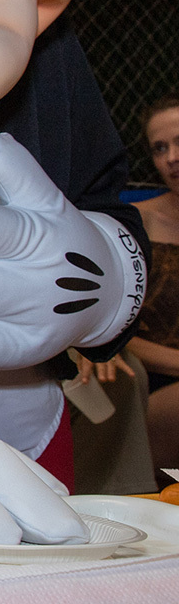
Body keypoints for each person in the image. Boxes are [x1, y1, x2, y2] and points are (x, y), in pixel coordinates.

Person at [128, 94, 179, 483]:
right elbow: (114, 332)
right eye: (160, 148)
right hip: (153, 382)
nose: (171, 158)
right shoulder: (136, 223)